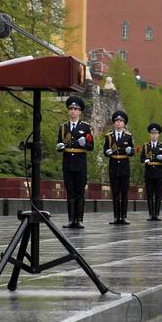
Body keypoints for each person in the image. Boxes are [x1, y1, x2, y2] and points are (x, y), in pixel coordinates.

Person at [57, 96, 94, 229]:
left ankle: (79, 219)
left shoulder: (85, 127)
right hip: (67, 162)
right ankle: (71, 219)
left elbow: (91, 146)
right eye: (71, 109)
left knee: (79, 191)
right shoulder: (63, 128)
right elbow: (59, 144)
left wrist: (85, 144)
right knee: (70, 191)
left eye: (75, 109)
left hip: (80, 162)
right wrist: (60, 147)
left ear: (80, 112)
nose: (73, 111)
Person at [104, 111, 135, 225]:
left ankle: (124, 216)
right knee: (115, 192)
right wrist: (107, 152)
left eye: (121, 121)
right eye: (116, 121)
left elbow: (132, 152)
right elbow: (105, 151)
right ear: (114, 123)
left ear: (124, 124)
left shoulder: (128, 136)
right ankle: (116, 216)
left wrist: (130, 151)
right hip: (113, 166)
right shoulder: (109, 137)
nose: (118, 123)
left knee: (124, 193)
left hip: (124, 166)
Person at [141, 123, 162, 221]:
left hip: (158, 172)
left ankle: (157, 214)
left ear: (158, 134)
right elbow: (141, 159)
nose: (154, 135)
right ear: (150, 134)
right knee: (149, 194)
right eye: (152, 133)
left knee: (158, 194)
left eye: (156, 133)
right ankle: (151, 214)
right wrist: (145, 160)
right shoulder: (145, 146)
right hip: (149, 172)